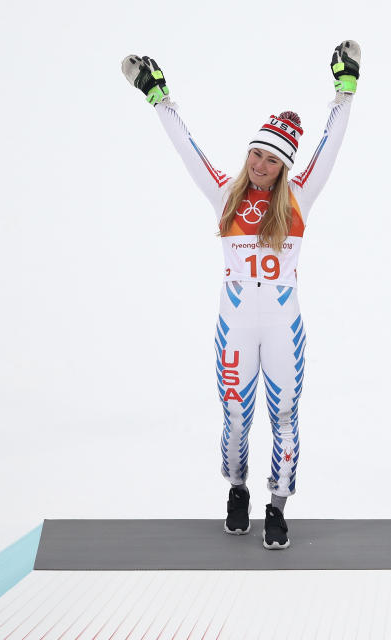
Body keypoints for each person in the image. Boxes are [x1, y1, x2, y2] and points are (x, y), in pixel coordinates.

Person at [121, 41, 361, 548]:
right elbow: (188, 149)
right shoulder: (224, 194)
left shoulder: (299, 197)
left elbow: (330, 145)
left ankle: (278, 505)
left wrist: (345, 91)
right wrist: (158, 97)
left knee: (285, 417)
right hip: (233, 327)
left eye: (270, 159)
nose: (258, 163)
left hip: (282, 326)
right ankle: (237, 491)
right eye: (254, 152)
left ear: (283, 167)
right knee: (234, 416)